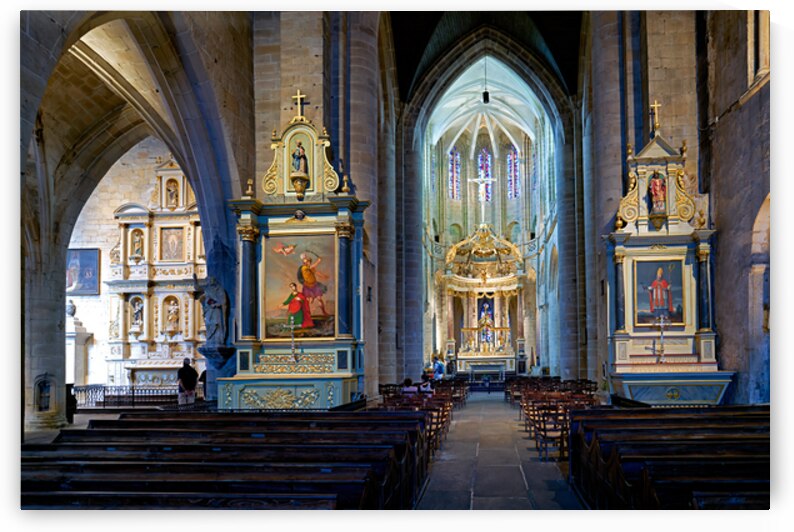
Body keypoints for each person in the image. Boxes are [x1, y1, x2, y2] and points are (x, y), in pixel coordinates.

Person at [193, 274, 228, 346]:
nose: (208, 281)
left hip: (216, 310)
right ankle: (210, 340)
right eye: (207, 280)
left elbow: (223, 301)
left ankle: (218, 340)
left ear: (214, 280)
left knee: (216, 325)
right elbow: (197, 287)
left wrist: (216, 304)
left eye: (210, 280)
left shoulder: (219, 289)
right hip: (209, 310)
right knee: (209, 324)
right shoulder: (207, 288)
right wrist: (195, 280)